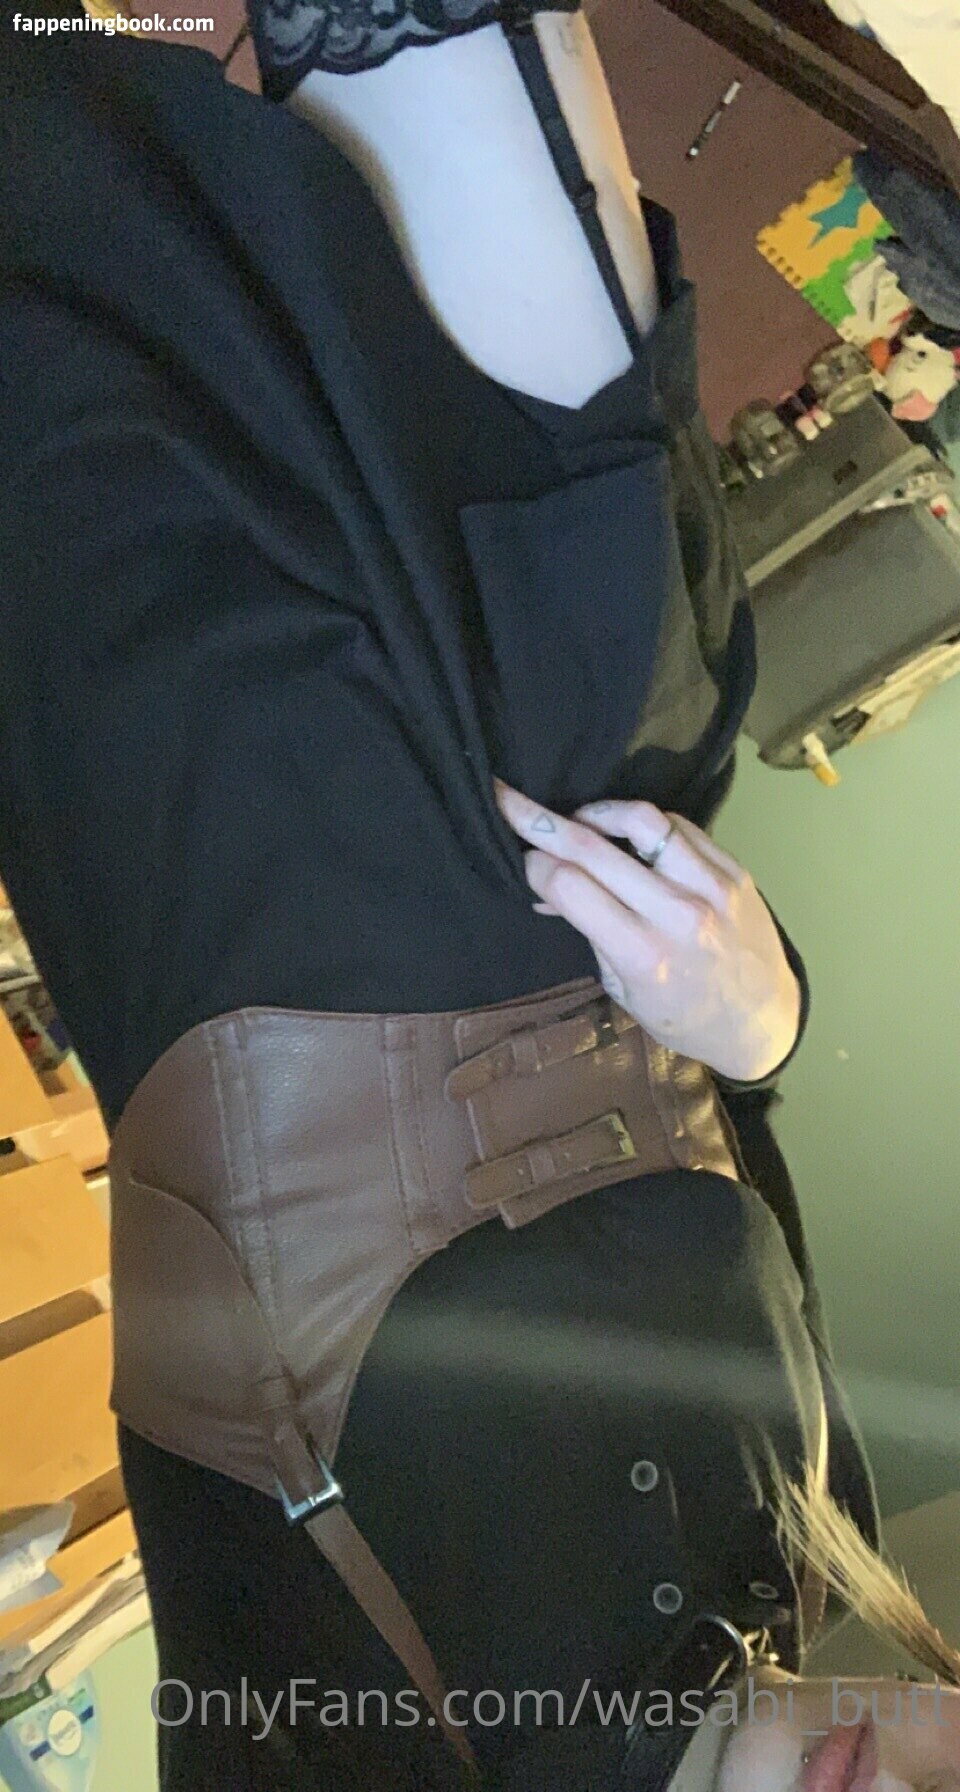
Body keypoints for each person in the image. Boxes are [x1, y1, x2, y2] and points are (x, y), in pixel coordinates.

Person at [1, 1, 959, 1787]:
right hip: (584, 726)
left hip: (263, 838)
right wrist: (767, 1022)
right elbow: (728, 1125)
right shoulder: (815, 1530)